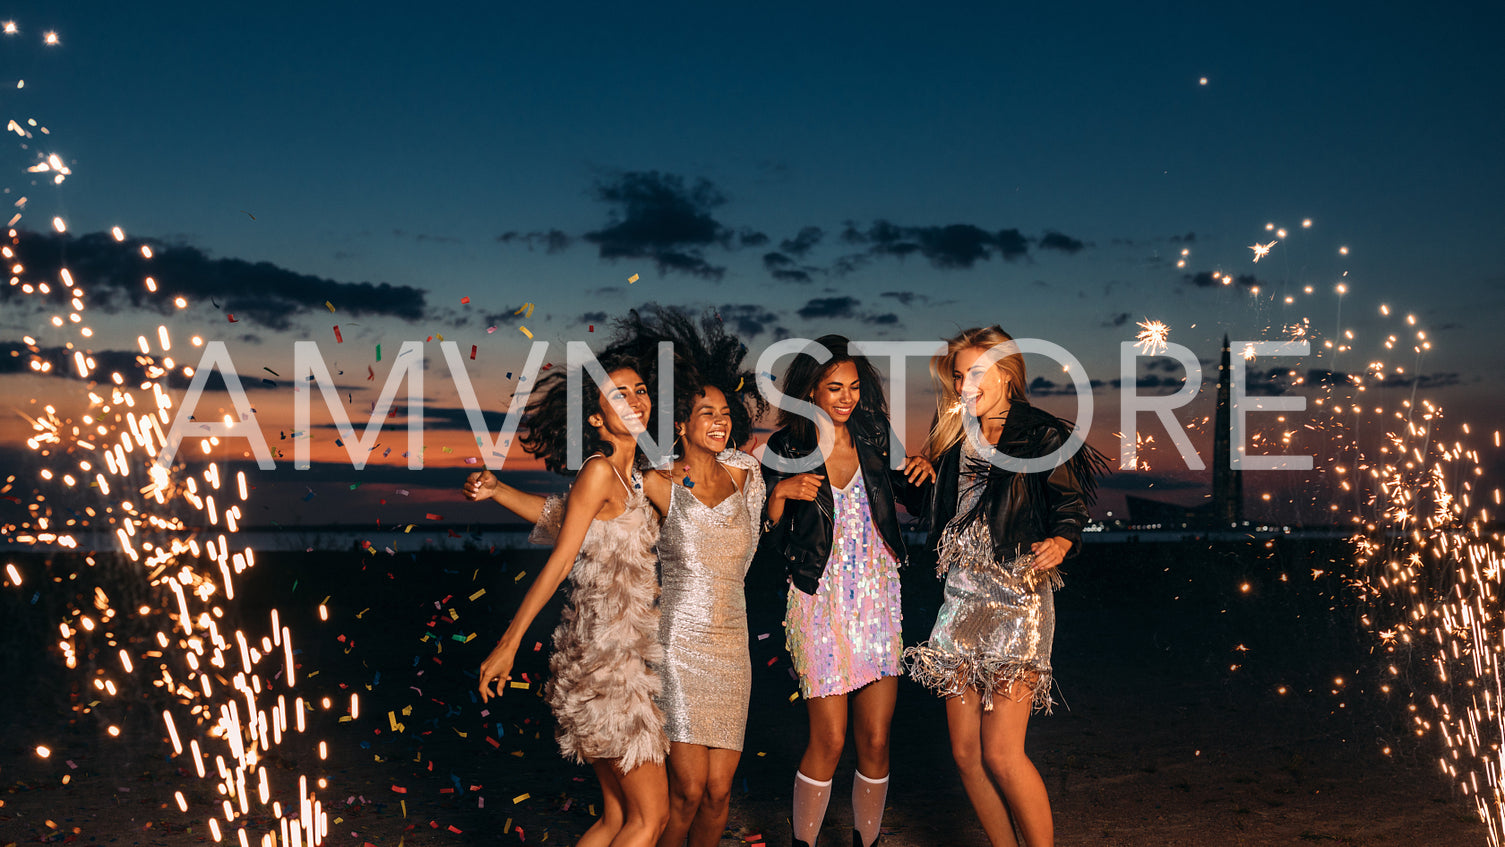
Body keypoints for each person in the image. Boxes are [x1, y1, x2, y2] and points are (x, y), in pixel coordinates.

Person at [903, 326, 1105, 847]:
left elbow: (1069, 506)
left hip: (1017, 597)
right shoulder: (952, 432)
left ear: (1007, 373)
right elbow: (932, 507)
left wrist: (1063, 542)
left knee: (1001, 753)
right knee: (966, 755)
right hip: (960, 599)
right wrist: (919, 471)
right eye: (958, 376)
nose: (965, 385)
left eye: (976, 373)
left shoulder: (1039, 434)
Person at [472, 352, 669, 847]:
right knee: (651, 819)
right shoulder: (600, 471)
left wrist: (498, 491)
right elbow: (561, 560)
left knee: (617, 817)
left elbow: (563, 517)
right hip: (610, 664)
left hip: (612, 658)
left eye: (640, 389)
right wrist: (509, 643)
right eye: (618, 394)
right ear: (598, 420)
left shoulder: (636, 480)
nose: (635, 399)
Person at [757, 335, 933, 847]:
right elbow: (761, 538)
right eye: (834, 386)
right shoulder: (785, 447)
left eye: (854, 386)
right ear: (810, 389)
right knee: (829, 738)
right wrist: (777, 495)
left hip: (878, 596)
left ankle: (867, 843)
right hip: (816, 597)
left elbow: (917, 502)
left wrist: (924, 474)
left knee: (875, 740)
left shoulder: (876, 433)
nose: (846, 397)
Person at [605, 307, 769, 847]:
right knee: (688, 791)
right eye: (705, 411)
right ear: (681, 424)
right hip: (681, 644)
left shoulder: (749, 474)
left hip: (734, 643)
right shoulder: (657, 483)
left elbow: (753, 535)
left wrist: (784, 499)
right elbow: (585, 508)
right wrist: (499, 494)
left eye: (724, 411)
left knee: (721, 794)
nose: (719, 420)